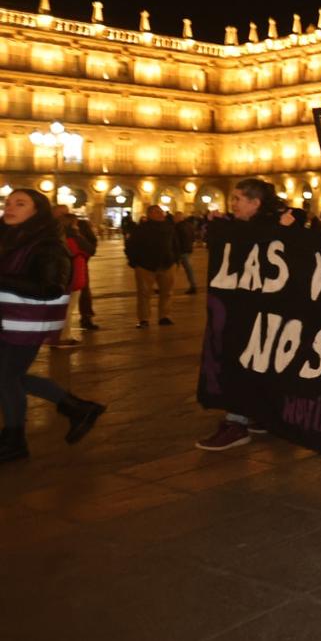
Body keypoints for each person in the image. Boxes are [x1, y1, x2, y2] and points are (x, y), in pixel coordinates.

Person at [0, 189, 106, 461]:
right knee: (12, 377)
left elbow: (50, 287)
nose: (10, 207)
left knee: (6, 378)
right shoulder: (10, 238)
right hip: (8, 320)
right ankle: (77, 408)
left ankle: (15, 440)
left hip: (25, 324)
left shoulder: (48, 244)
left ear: (37, 211)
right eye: (8, 203)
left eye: (20, 204)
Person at [196, 179, 295, 451]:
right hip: (238, 310)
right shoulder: (238, 229)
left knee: (251, 360)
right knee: (240, 359)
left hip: (264, 311)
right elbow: (238, 238)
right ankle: (255, 413)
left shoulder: (280, 226)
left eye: (238, 199)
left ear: (255, 203)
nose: (232, 204)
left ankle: (238, 421)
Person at [126, 204, 180, 327]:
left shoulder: (169, 228)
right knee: (144, 294)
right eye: (157, 212)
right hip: (145, 266)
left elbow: (176, 245)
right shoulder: (141, 229)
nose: (161, 214)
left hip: (167, 265)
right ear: (149, 214)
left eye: (161, 212)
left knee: (167, 292)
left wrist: (176, 260)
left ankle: (164, 316)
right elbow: (130, 246)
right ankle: (144, 319)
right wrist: (134, 262)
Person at [53, 205, 99, 336]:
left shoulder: (81, 225)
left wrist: (84, 255)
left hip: (79, 264)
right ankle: (61, 332)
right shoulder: (50, 227)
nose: (62, 215)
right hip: (63, 266)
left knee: (83, 291)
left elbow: (92, 243)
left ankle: (86, 316)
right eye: (59, 213)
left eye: (64, 213)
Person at [172, 211, 199, 293]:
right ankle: (193, 285)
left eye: (175, 217)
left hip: (180, 251)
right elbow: (193, 237)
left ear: (178, 218)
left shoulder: (177, 227)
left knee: (171, 269)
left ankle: (193, 286)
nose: (174, 219)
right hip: (187, 249)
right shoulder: (189, 225)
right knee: (188, 268)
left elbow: (176, 240)